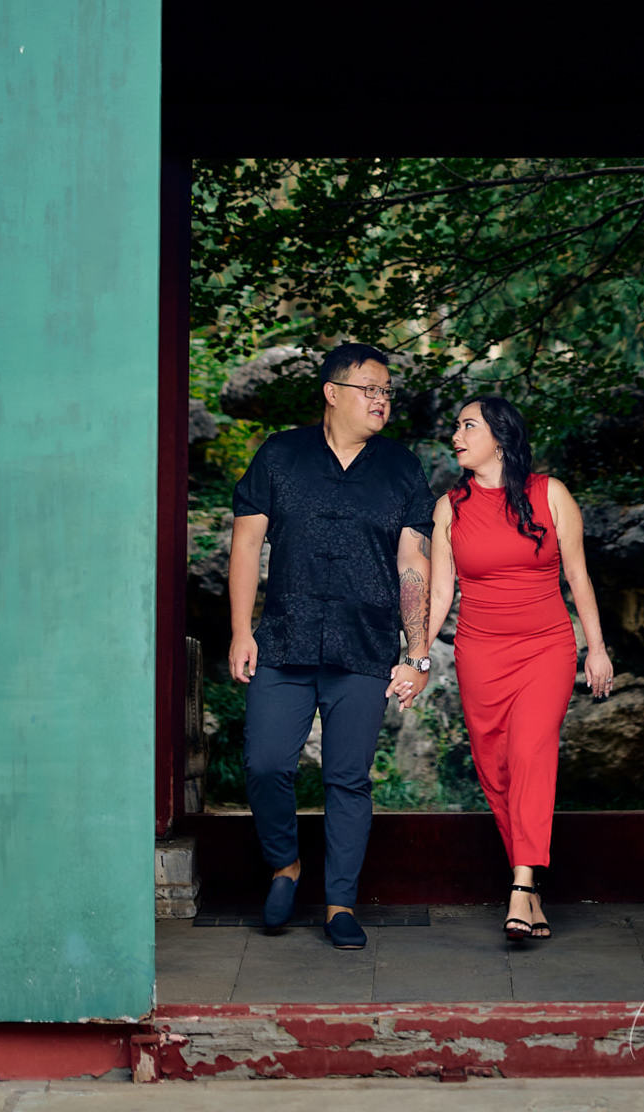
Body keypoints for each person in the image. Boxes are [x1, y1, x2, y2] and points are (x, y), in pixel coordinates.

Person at [228, 343, 435, 949]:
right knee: (266, 763)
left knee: (349, 778)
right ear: (333, 392)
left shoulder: (401, 467)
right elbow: (246, 547)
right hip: (284, 642)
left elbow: (412, 564)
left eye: (388, 391)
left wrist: (417, 653)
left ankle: (340, 903)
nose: (381, 400)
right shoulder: (281, 454)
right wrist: (243, 629)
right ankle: (285, 868)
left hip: (364, 647)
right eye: (370, 388)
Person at [420, 395, 614, 942]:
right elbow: (439, 594)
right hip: (479, 653)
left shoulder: (549, 494)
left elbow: (578, 575)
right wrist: (415, 654)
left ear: (500, 436)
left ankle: (522, 886)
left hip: (545, 648)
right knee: (497, 770)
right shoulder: (448, 508)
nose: (456, 435)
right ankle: (529, 893)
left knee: (531, 751)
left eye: (467, 426)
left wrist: (594, 648)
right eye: (455, 426)